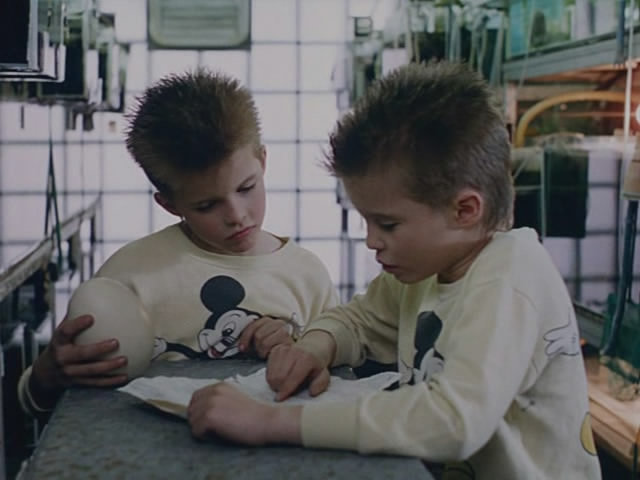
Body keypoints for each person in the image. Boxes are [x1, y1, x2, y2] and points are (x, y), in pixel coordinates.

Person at [185, 61, 602, 479]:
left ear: (464, 210)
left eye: (388, 224)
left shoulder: (509, 280)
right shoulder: (429, 269)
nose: (372, 241)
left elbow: (452, 420)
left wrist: (270, 422)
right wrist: (314, 348)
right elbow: (359, 320)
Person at [18, 69, 339, 416]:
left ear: (262, 161)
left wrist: (297, 351)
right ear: (170, 204)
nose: (236, 215)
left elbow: (339, 387)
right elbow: (35, 406)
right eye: (207, 205)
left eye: (246, 188)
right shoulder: (129, 277)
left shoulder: (307, 276)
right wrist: (48, 374)